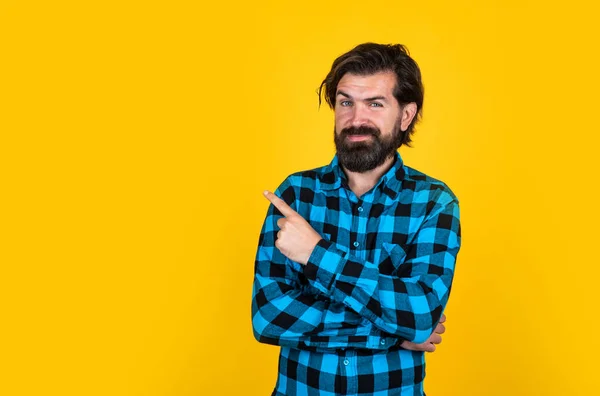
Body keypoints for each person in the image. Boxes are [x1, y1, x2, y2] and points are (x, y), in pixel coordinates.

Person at [251, 42, 461, 396]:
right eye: (346, 102)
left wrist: (316, 253)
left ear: (406, 115)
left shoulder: (434, 203)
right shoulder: (295, 195)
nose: (355, 119)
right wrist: (397, 330)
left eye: (375, 104)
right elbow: (268, 319)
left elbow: (421, 313)